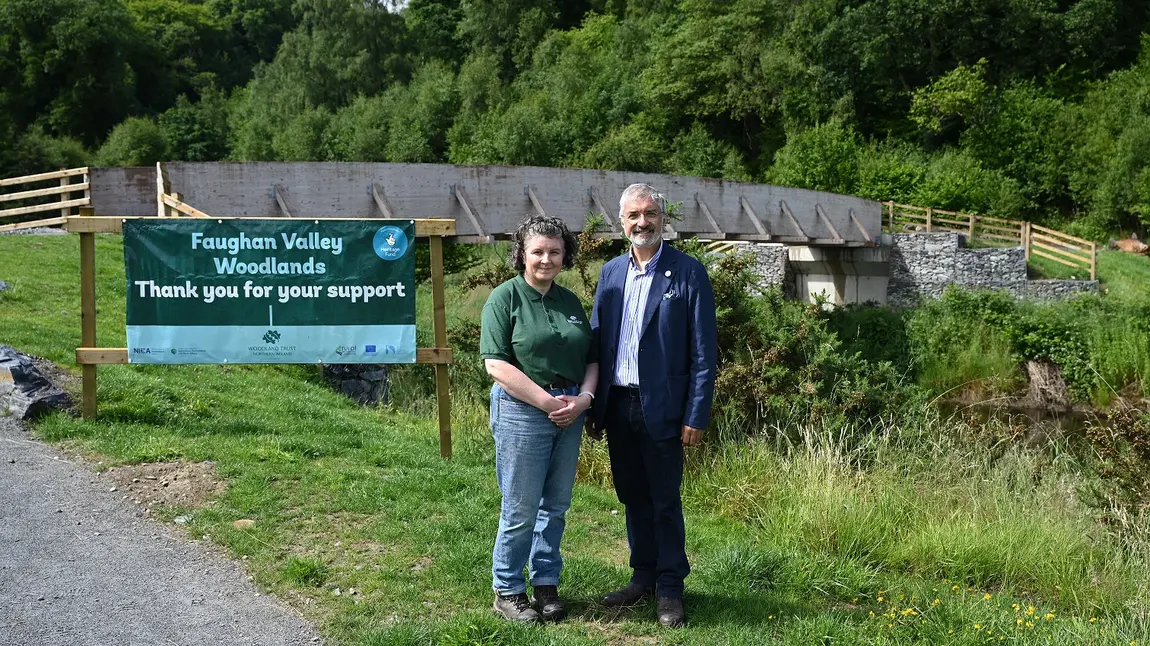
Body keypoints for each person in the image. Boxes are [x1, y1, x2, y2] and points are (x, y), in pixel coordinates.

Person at [587, 183, 717, 628]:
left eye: (650, 213)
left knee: (664, 500)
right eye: (633, 215)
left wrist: (695, 413)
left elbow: (704, 352)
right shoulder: (610, 273)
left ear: (663, 217)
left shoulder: (688, 273)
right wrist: (592, 406)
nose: (642, 222)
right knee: (632, 496)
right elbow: (597, 343)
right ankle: (642, 576)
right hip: (618, 404)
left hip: (662, 407)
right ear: (620, 222)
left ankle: (670, 588)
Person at [480, 215, 599, 623]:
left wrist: (583, 399)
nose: (546, 259)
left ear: (565, 256)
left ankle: (546, 583)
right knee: (521, 505)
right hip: (523, 410)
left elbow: (592, 358)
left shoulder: (569, 301)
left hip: (571, 410)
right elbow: (495, 365)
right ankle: (508, 590)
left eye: (554, 251)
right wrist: (548, 404)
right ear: (522, 254)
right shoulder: (504, 298)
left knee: (557, 505)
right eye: (537, 252)